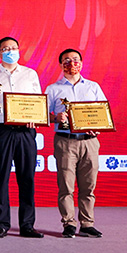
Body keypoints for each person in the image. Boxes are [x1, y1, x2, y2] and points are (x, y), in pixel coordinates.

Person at [0, 36, 44, 238]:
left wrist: (35, 118)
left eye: (13, 48)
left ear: (19, 50)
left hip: (25, 131)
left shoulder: (30, 74)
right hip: (0, 129)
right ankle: (1, 224)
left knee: (27, 178)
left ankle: (27, 225)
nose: (10, 51)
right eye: (6, 49)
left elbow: (38, 103)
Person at [45, 48, 107, 238]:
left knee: (89, 186)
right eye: (66, 60)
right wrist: (56, 117)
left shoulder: (93, 87)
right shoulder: (53, 89)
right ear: (60, 64)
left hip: (90, 142)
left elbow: (103, 113)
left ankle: (87, 224)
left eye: (75, 59)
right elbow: (43, 115)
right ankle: (69, 223)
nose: (71, 63)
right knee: (66, 186)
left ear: (81, 63)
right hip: (66, 141)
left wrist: (98, 127)